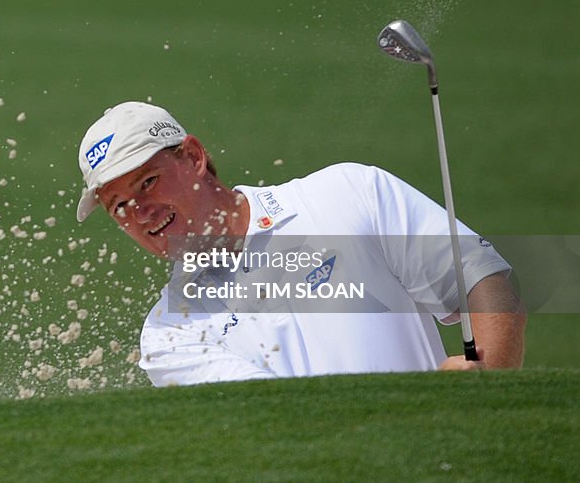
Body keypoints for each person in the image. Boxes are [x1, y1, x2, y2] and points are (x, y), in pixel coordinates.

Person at [75, 101, 526, 386]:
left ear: (193, 158)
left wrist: (486, 388)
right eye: (119, 207)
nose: (140, 214)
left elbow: (482, 280)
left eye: (148, 182)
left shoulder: (347, 192)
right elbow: (277, 421)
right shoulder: (170, 333)